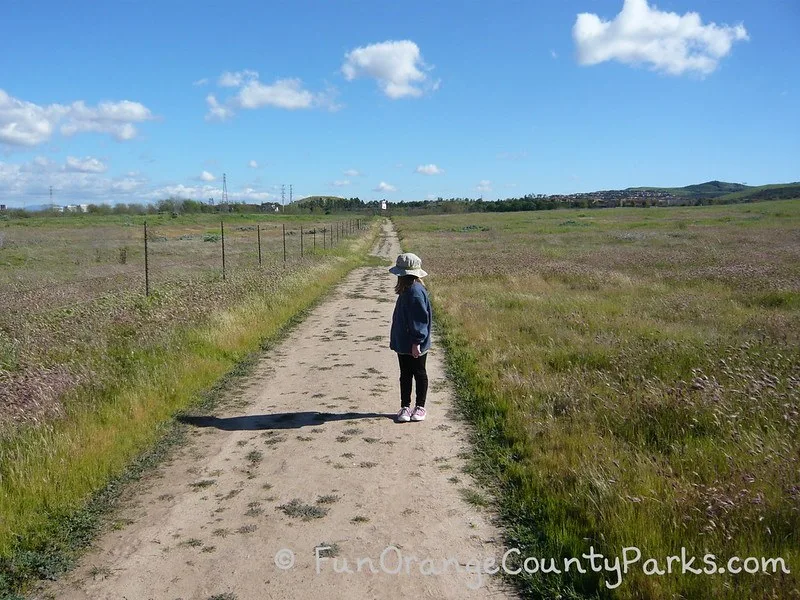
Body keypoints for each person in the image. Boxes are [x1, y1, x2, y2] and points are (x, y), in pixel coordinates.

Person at [389, 253, 432, 422]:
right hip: (404, 342)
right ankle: (405, 407)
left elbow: (419, 320)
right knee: (405, 374)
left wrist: (417, 342)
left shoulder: (414, 292)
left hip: (414, 344)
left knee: (419, 372)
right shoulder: (409, 289)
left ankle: (420, 407)